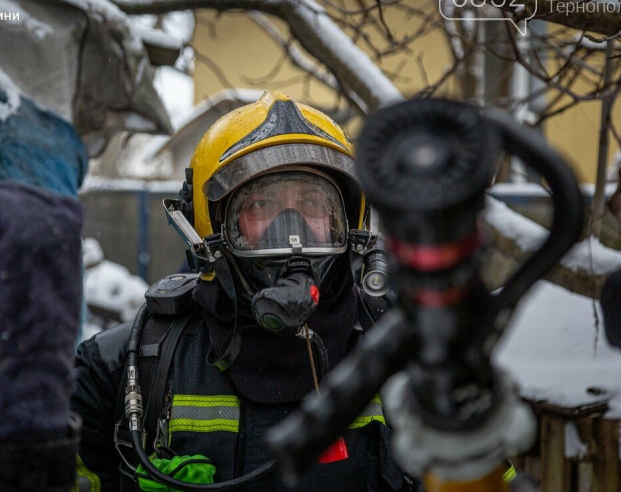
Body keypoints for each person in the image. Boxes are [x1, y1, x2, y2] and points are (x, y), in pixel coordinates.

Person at [70, 91, 416, 492]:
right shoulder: (118, 371)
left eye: (313, 203)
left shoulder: (412, 358)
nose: (292, 232)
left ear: (348, 224)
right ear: (210, 228)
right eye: (262, 204)